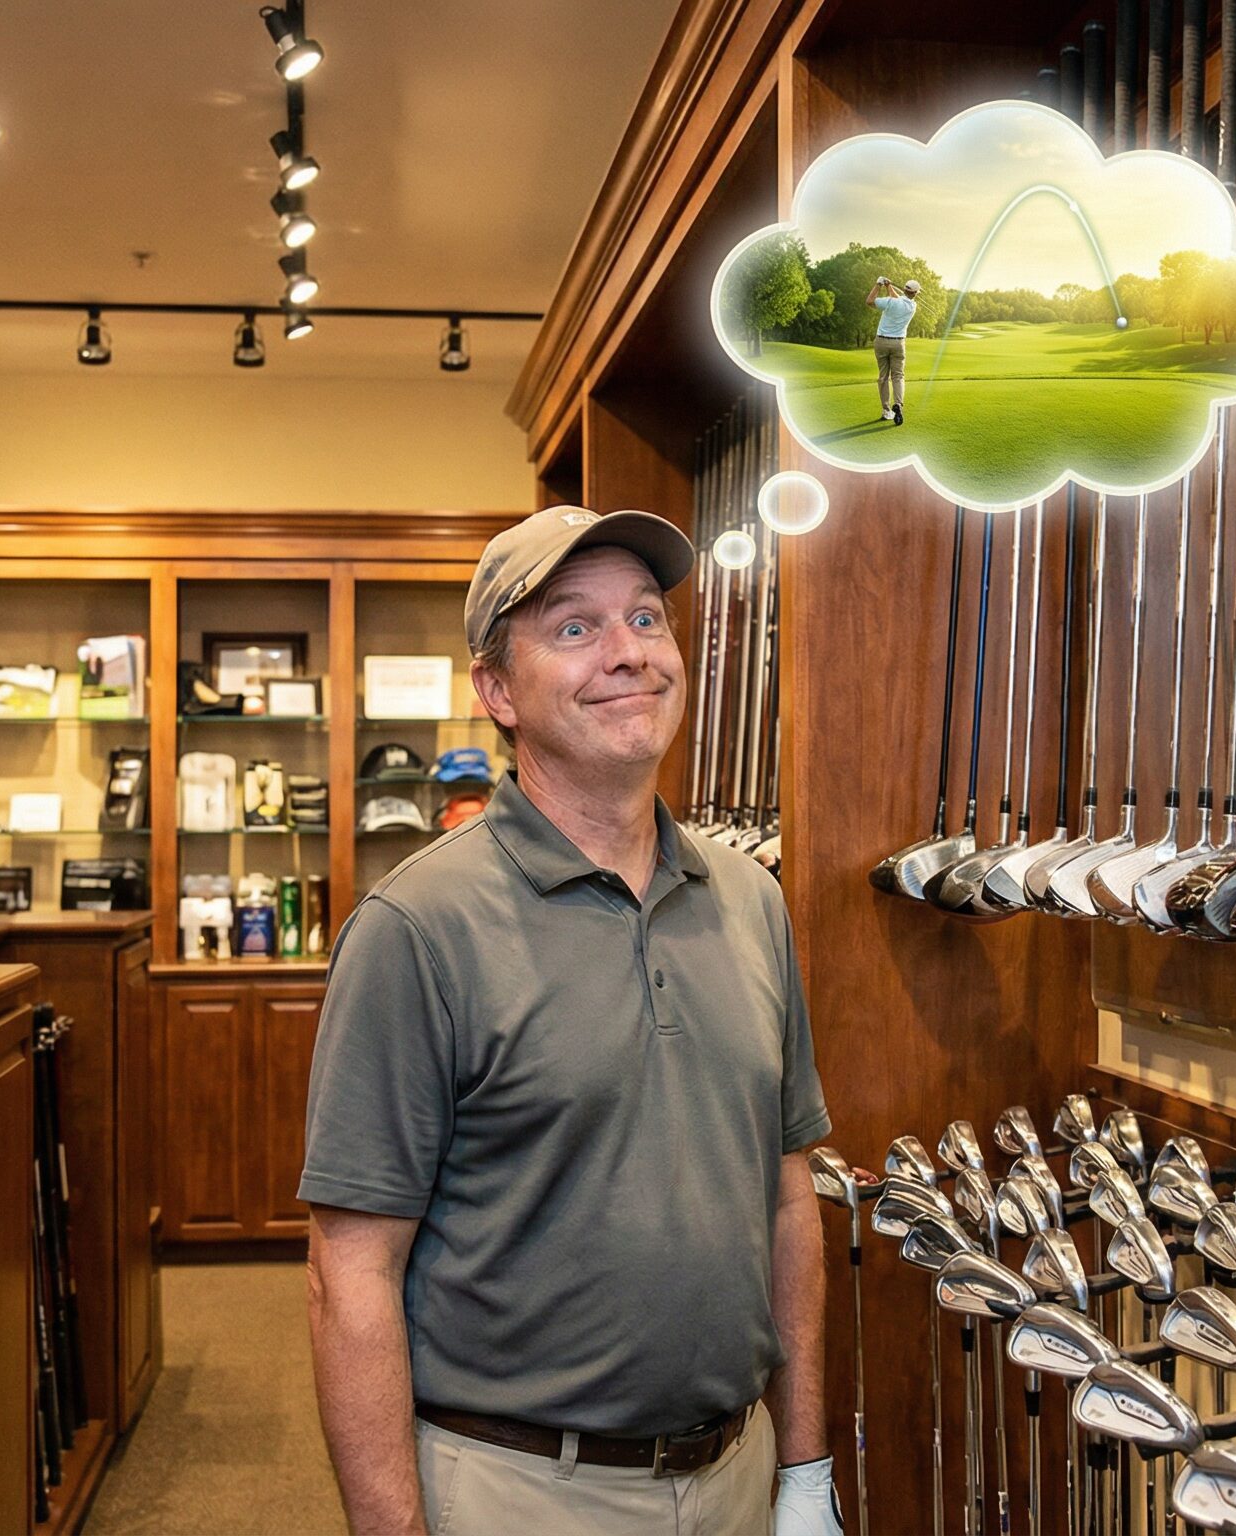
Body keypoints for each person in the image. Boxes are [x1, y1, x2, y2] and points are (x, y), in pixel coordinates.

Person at [302, 503, 838, 1536]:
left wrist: (803, 1470)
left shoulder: (750, 900)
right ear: (498, 691)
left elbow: (785, 1197)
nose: (628, 652)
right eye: (574, 627)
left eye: (646, 617)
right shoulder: (415, 928)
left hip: (736, 1473)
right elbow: (350, 1272)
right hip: (517, 1490)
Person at [870, 276, 919, 425]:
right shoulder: (912, 306)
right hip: (898, 344)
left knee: (883, 377)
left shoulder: (890, 302)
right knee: (898, 376)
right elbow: (899, 301)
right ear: (915, 293)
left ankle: (886, 411)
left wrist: (878, 284)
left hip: (882, 342)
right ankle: (898, 404)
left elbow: (870, 301)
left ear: (904, 289)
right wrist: (889, 286)